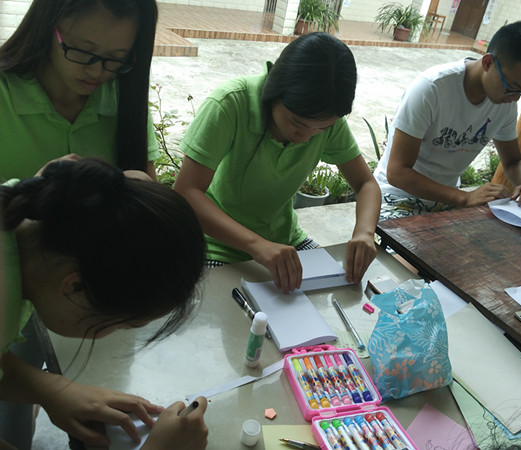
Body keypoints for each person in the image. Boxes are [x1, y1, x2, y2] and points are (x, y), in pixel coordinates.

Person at [0, 158, 209, 449]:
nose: (110, 334)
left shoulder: (20, 217)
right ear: (74, 286)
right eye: (120, 324)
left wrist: (52, 389)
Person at [174, 32, 381, 294]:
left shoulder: (325, 120)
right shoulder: (230, 103)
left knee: (339, 295)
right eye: (297, 123)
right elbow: (186, 192)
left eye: (321, 129)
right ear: (274, 91)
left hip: (285, 243)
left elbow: (366, 183)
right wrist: (257, 245)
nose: (305, 137)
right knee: (229, 309)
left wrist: (365, 232)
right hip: (217, 244)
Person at [374, 20, 521, 220]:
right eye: (513, 87)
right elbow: (397, 173)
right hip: (395, 196)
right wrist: (465, 198)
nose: (516, 97)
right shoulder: (432, 89)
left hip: (447, 201)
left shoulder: (505, 101)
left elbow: (513, 161)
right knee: (412, 242)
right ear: (487, 62)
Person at [0, 0, 160, 182]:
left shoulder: (122, 96)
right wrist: (32, 190)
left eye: (116, 57)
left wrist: (142, 191)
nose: (96, 72)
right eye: (83, 51)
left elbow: (148, 180)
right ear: (47, 26)